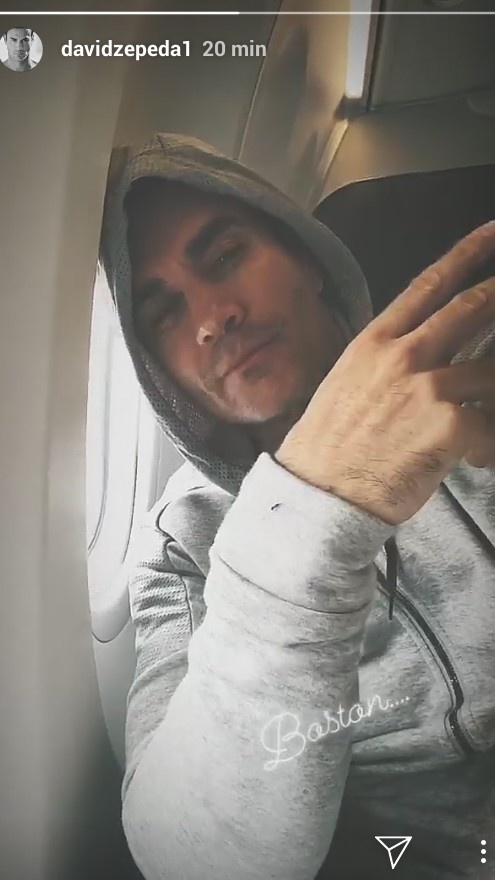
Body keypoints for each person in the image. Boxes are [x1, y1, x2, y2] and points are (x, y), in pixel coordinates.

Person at [100, 133, 495, 880]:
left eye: (225, 256)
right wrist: (316, 519)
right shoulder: (181, 545)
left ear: (307, 258)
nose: (211, 318)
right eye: (162, 313)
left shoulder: (471, 372)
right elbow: (185, 860)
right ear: (157, 371)